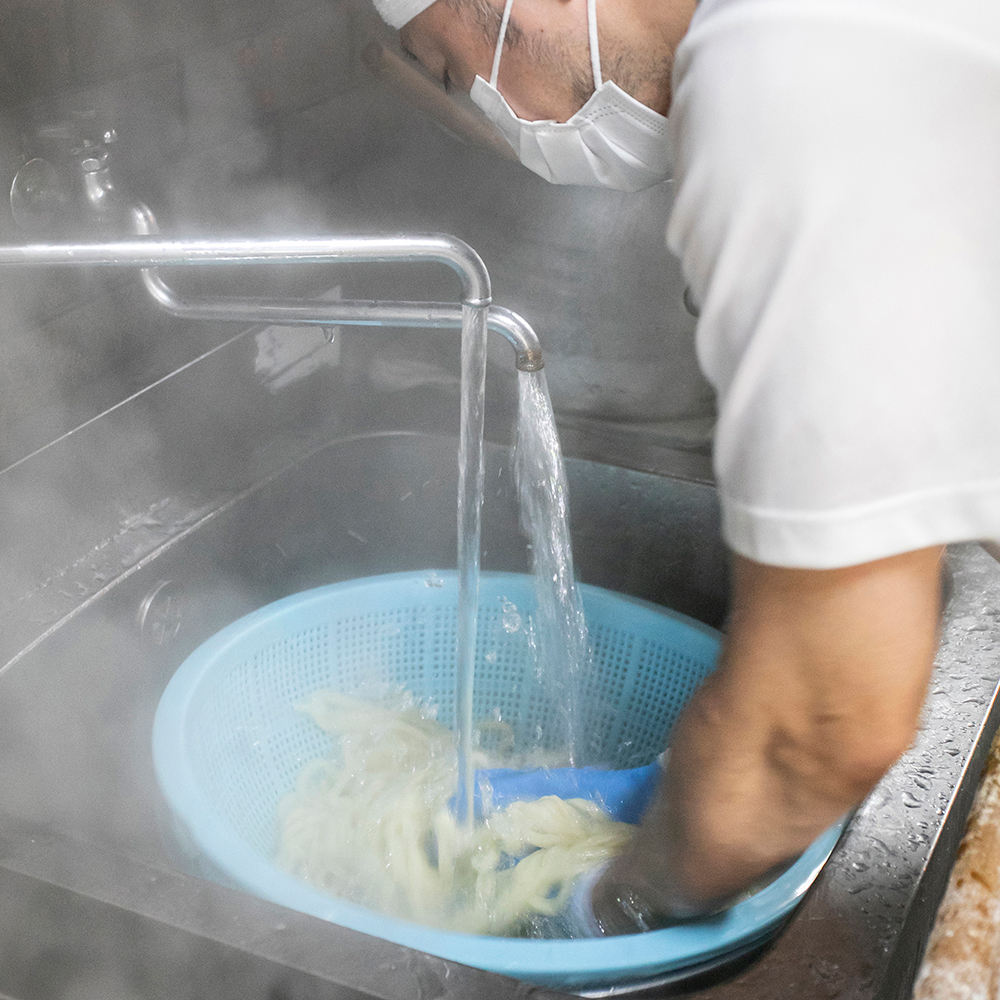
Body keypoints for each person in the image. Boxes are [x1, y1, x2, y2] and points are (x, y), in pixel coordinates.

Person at [371, 0, 1000, 932]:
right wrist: (682, 779)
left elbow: (815, 730)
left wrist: (600, 901)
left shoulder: (783, 63)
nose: (499, 120)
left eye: (451, 68)